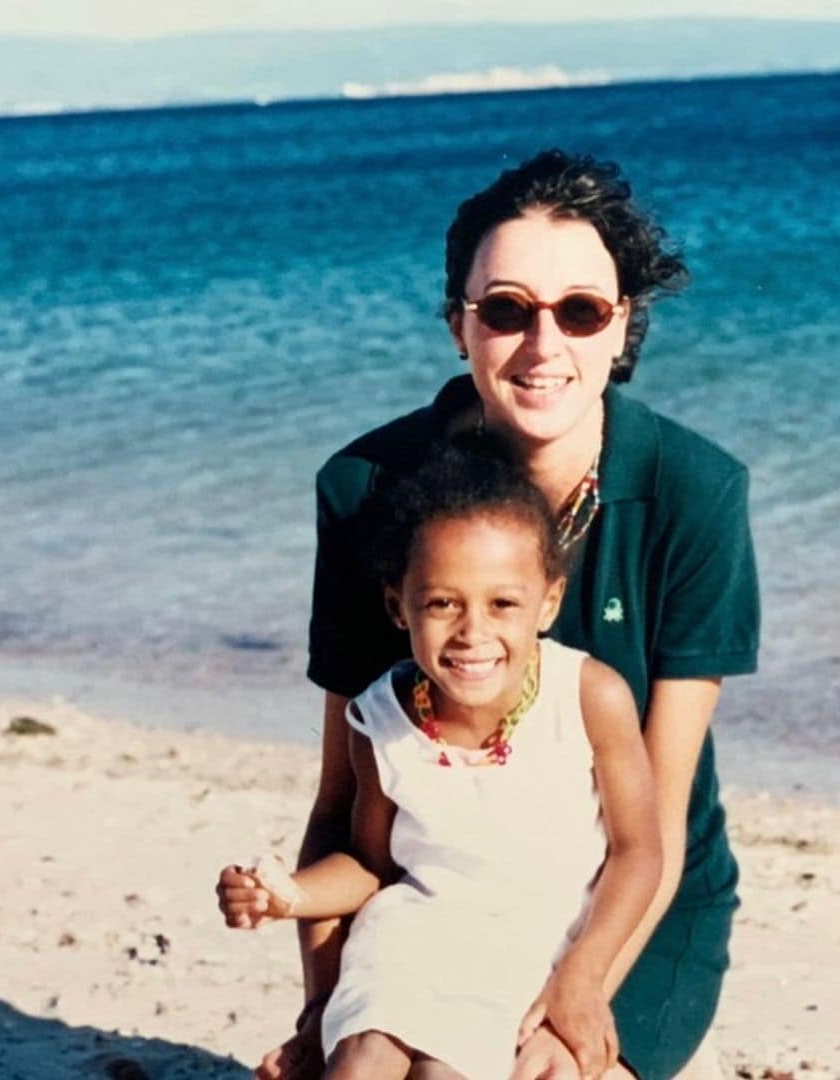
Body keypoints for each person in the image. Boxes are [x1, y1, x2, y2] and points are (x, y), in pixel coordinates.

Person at [224, 149, 761, 1080]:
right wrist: (322, 1010)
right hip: (434, 893)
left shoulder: (694, 492)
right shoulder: (367, 492)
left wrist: (579, 991)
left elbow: (658, 834)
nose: (543, 345)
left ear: (621, 326)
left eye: (582, 311)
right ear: (458, 326)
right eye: (506, 309)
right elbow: (344, 802)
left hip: (636, 902)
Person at [218, 437, 663, 1080]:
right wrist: (286, 894)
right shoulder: (383, 719)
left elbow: (639, 852)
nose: (472, 632)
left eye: (502, 603)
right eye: (441, 603)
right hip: (412, 937)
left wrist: (584, 976)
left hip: (533, 943)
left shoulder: (590, 697)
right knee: (362, 1062)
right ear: (400, 606)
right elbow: (370, 866)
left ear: (550, 602)